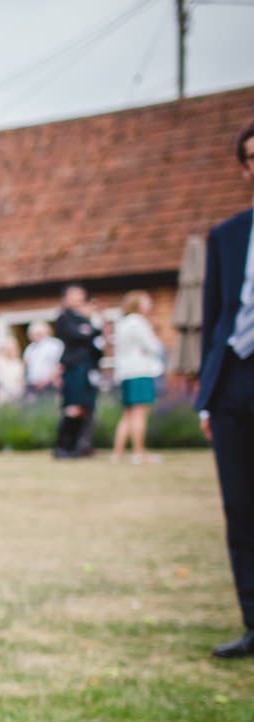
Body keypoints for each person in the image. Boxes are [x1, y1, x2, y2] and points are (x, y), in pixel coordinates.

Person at [197, 118, 254, 659]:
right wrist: (207, 399)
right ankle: (252, 621)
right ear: (244, 169)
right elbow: (217, 317)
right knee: (240, 506)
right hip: (235, 381)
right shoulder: (228, 236)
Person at [108, 291, 165, 464]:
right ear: (138, 305)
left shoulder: (121, 323)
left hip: (125, 372)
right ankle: (139, 452)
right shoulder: (138, 322)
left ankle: (118, 453)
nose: (150, 305)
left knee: (128, 414)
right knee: (140, 413)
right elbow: (153, 346)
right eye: (147, 302)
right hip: (140, 371)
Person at [52, 285, 103, 458]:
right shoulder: (64, 318)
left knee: (87, 407)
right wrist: (89, 331)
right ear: (65, 299)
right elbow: (77, 336)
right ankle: (64, 446)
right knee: (73, 407)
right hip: (74, 367)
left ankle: (81, 445)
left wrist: (90, 329)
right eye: (74, 295)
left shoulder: (87, 319)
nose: (78, 299)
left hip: (89, 368)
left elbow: (96, 337)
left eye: (81, 295)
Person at [22, 320, 64, 397]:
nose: (34, 336)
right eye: (32, 334)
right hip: (32, 386)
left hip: (50, 385)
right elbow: (25, 366)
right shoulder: (30, 348)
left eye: (37, 334)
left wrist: (47, 381)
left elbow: (60, 365)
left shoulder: (55, 345)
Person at [0, 335, 26, 405]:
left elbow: (21, 380)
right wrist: (12, 391)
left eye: (12, 349)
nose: (9, 351)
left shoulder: (18, 363)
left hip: (17, 396)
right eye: (8, 349)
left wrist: (19, 392)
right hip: (3, 394)